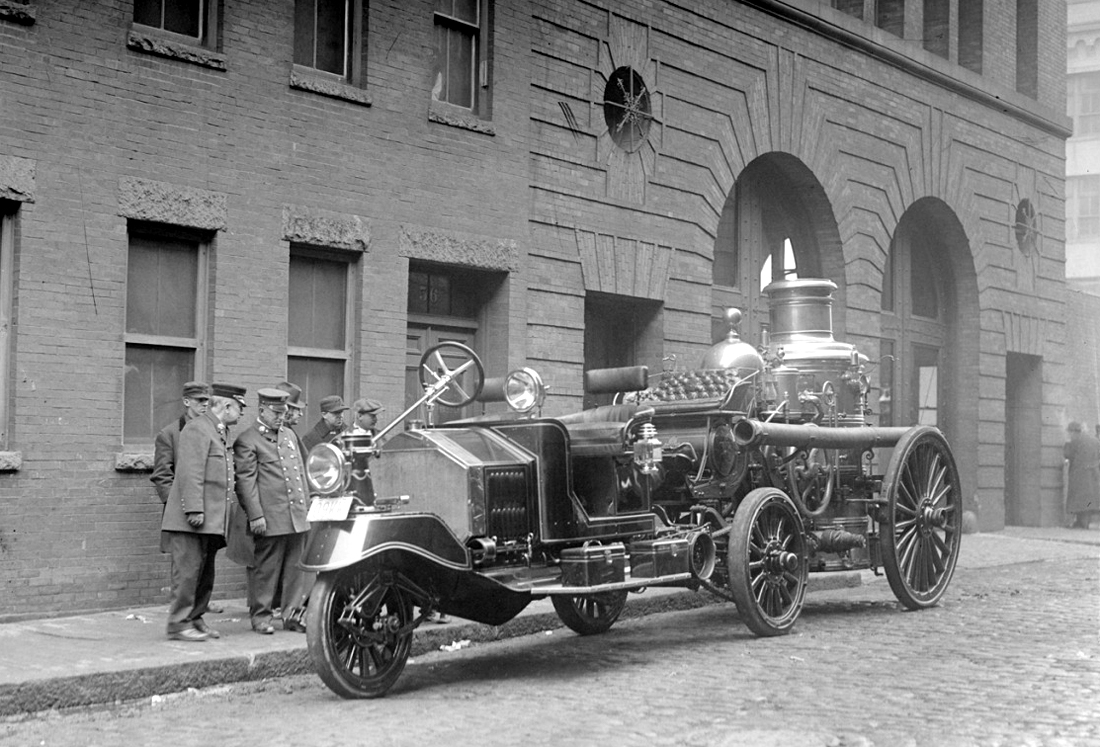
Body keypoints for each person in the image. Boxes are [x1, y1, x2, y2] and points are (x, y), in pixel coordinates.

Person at [161, 383, 246, 641]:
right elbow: (190, 472)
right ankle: (178, 624)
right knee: (187, 574)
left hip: (210, 520)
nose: (241, 413)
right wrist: (194, 509)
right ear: (227, 406)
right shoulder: (198, 429)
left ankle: (195, 617)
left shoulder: (217, 431)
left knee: (204, 574)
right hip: (192, 519)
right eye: (240, 408)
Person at [233, 388, 314, 634]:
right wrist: (255, 515)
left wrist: (307, 508)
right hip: (270, 517)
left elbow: (300, 473)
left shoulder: (289, 435)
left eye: (284, 412)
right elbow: (245, 483)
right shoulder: (248, 440)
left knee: (295, 570)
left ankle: (291, 614)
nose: (281, 417)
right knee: (266, 569)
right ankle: (261, 616)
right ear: (262, 411)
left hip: (296, 515)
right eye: (276, 413)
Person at [150, 381, 226, 613]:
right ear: (186, 402)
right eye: (200, 401)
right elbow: (162, 476)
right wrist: (180, 506)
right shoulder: (170, 434)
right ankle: (182, 613)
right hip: (187, 513)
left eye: (208, 401)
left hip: (209, 513)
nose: (205, 405)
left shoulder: (212, 429)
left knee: (205, 565)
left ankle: (198, 607)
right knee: (185, 568)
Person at [1064, 421, 1100, 529]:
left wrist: (1067, 443)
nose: (1069, 434)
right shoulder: (1095, 440)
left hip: (1079, 474)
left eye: (1070, 432)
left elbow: (1067, 454)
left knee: (1079, 499)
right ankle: (1084, 523)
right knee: (1089, 500)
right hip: (1093, 474)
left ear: (1074, 432)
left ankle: (1081, 524)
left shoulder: (1075, 441)